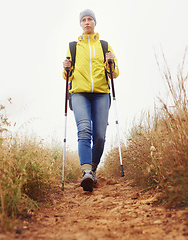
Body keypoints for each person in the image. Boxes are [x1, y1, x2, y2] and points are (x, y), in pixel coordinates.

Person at [62, 9, 119, 192]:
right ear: (80, 24)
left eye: (90, 19)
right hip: (79, 93)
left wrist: (111, 62)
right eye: (84, 20)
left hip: (101, 93)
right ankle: (86, 172)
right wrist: (66, 68)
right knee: (84, 129)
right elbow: (67, 76)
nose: (87, 22)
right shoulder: (73, 47)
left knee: (100, 136)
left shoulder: (104, 46)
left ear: (95, 22)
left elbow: (114, 74)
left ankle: (93, 169)